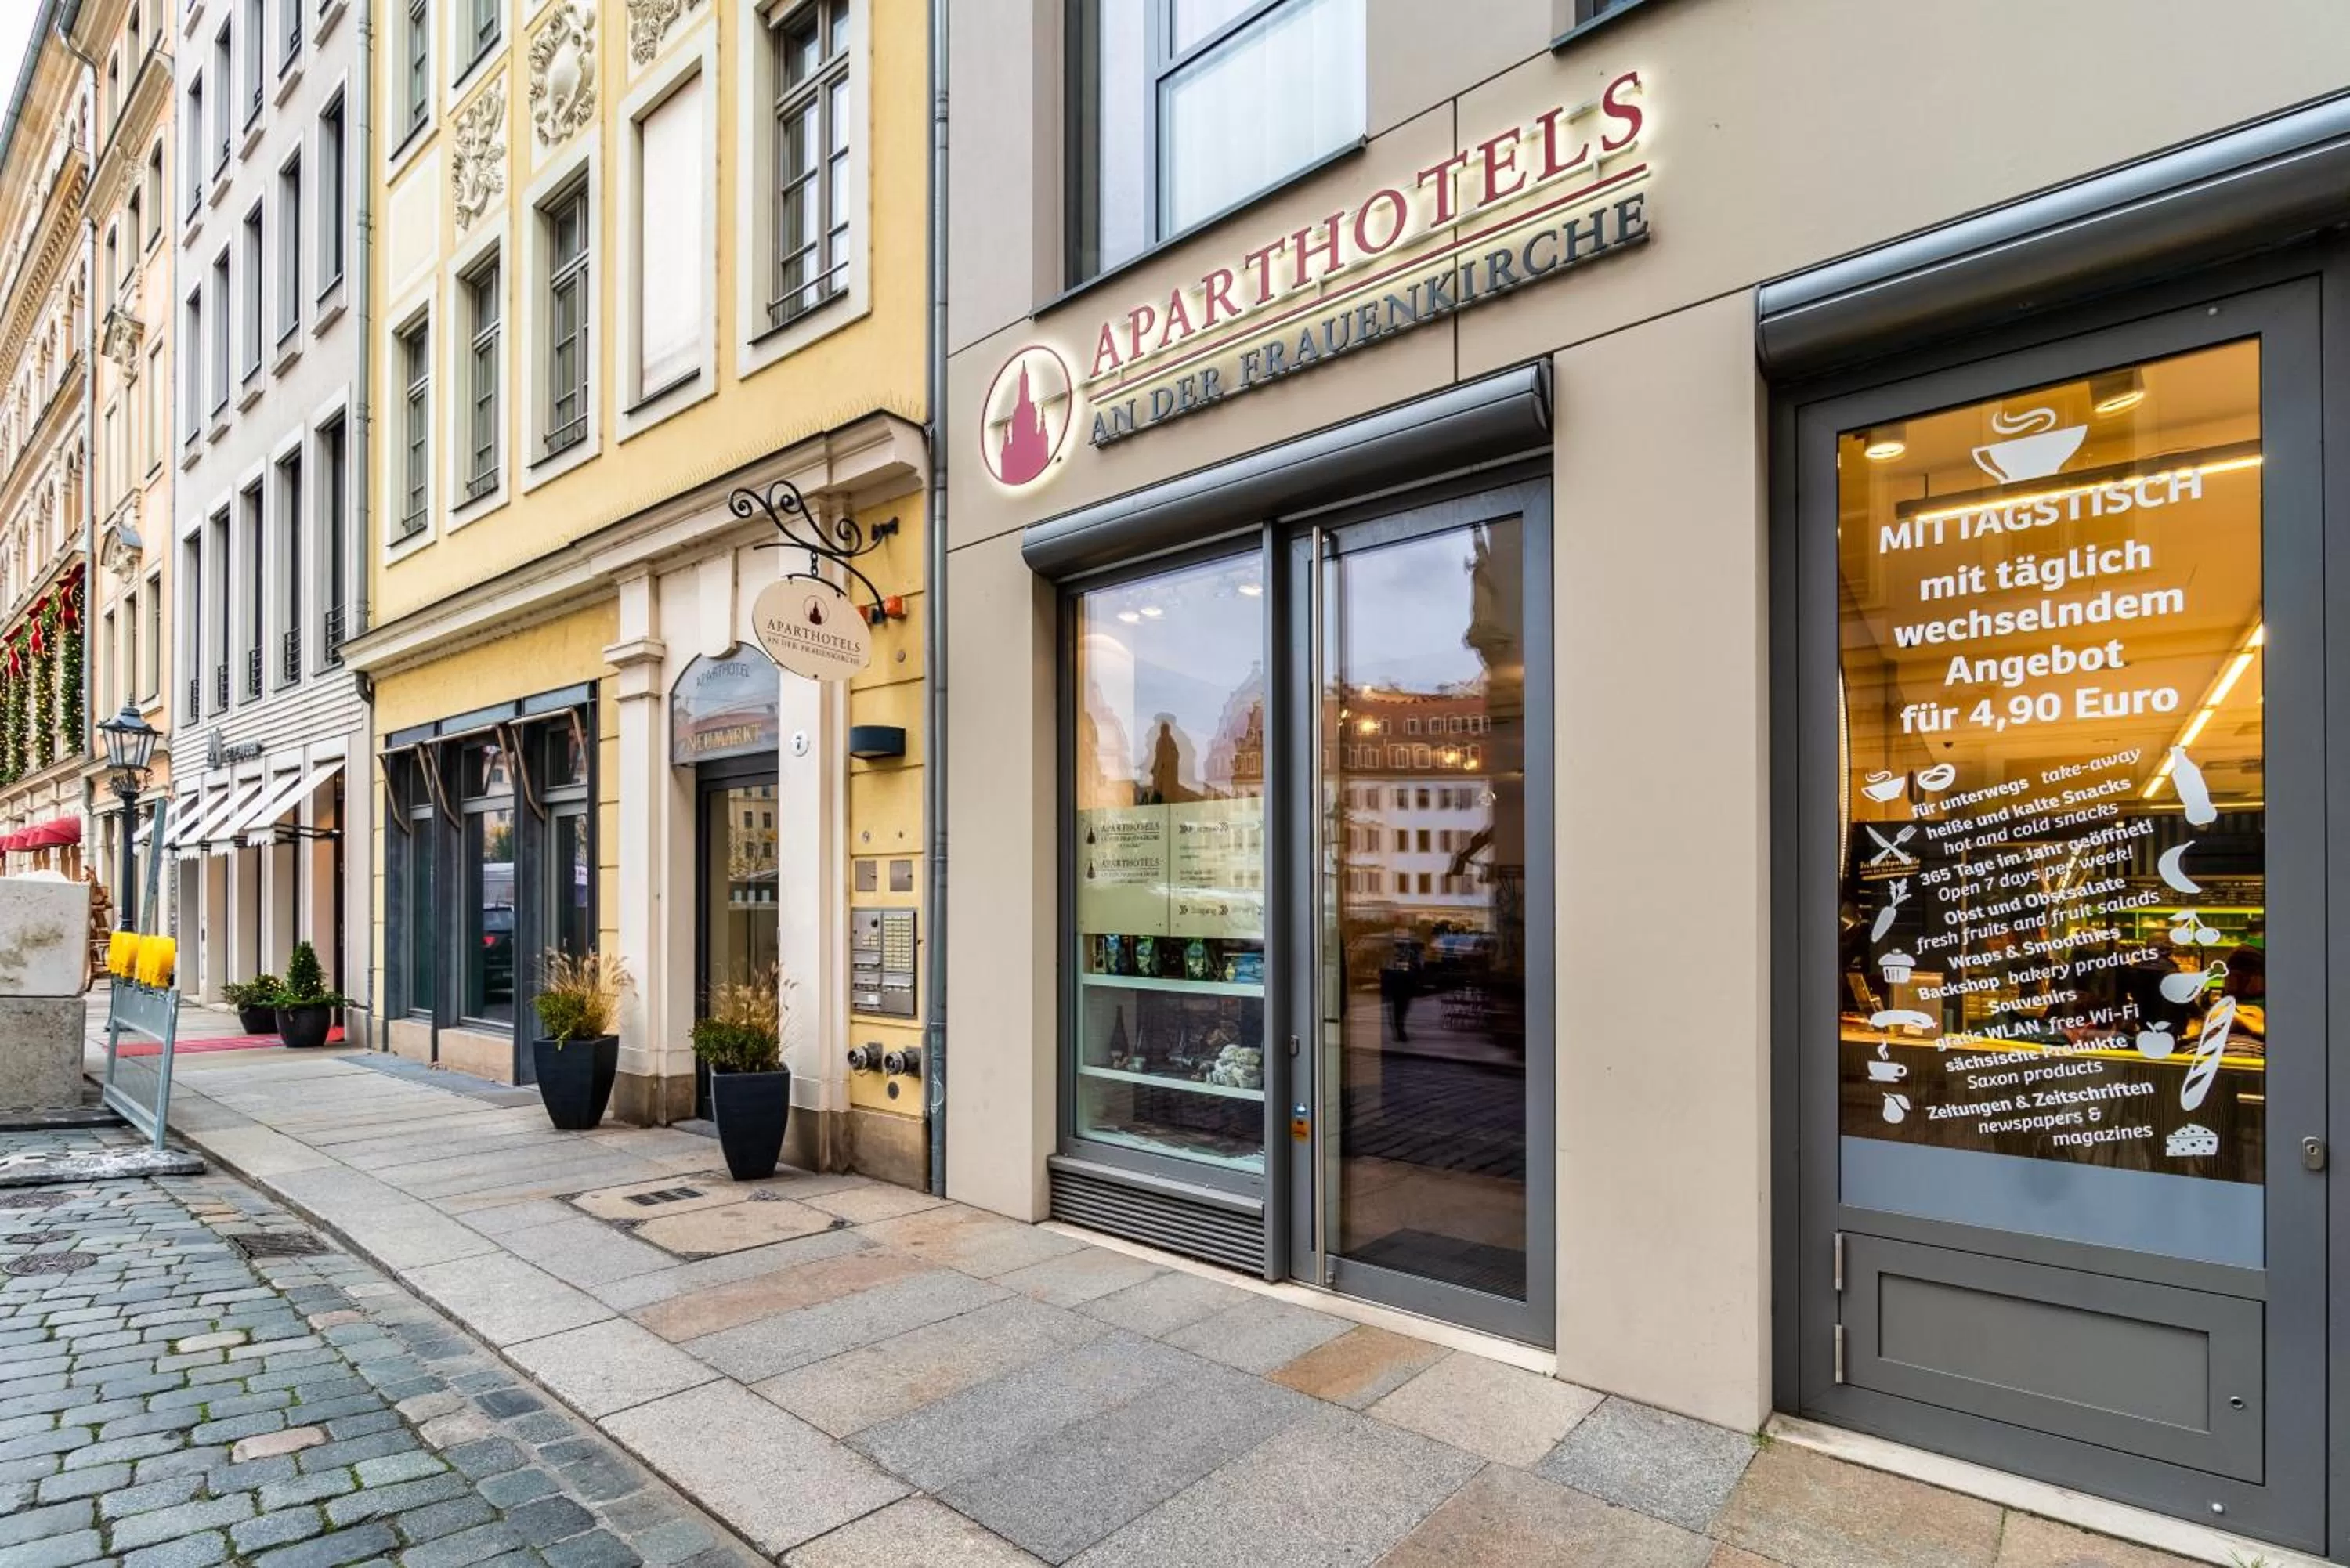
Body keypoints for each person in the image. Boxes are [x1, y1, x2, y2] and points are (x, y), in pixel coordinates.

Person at [1381, 929, 1422, 1042]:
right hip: (1403, 983)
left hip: (1399, 983)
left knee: (1397, 1008)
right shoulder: (1410, 953)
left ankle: (1399, 1029)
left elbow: (1385, 969)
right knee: (1401, 1008)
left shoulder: (1392, 954)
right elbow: (1418, 967)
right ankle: (1400, 1029)